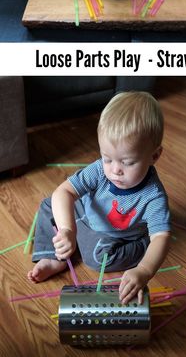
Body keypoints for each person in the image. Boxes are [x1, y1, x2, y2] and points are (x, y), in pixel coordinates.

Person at [27, 91, 171, 305]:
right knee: (49, 204)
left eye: (127, 162)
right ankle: (53, 257)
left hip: (116, 235)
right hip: (87, 213)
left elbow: (161, 237)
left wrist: (143, 270)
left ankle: (141, 245)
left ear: (154, 156)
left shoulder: (153, 196)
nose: (115, 170)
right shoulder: (99, 170)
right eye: (107, 158)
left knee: (96, 258)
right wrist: (66, 229)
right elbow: (64, 192)